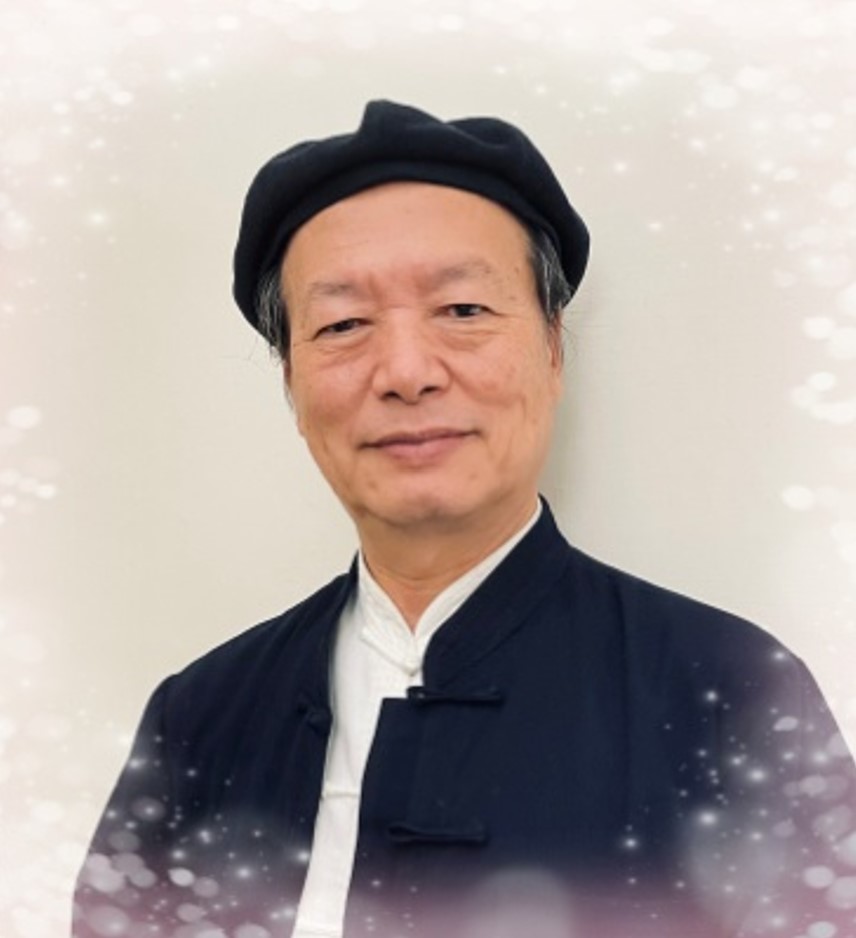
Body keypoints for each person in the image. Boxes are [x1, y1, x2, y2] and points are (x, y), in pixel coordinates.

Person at [74, 101, 856, 938]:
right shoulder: (199, 721)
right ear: (292, 385)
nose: (407, 372)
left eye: (463, 310)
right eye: (343, 324)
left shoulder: (728, 691)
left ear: (553, 350)